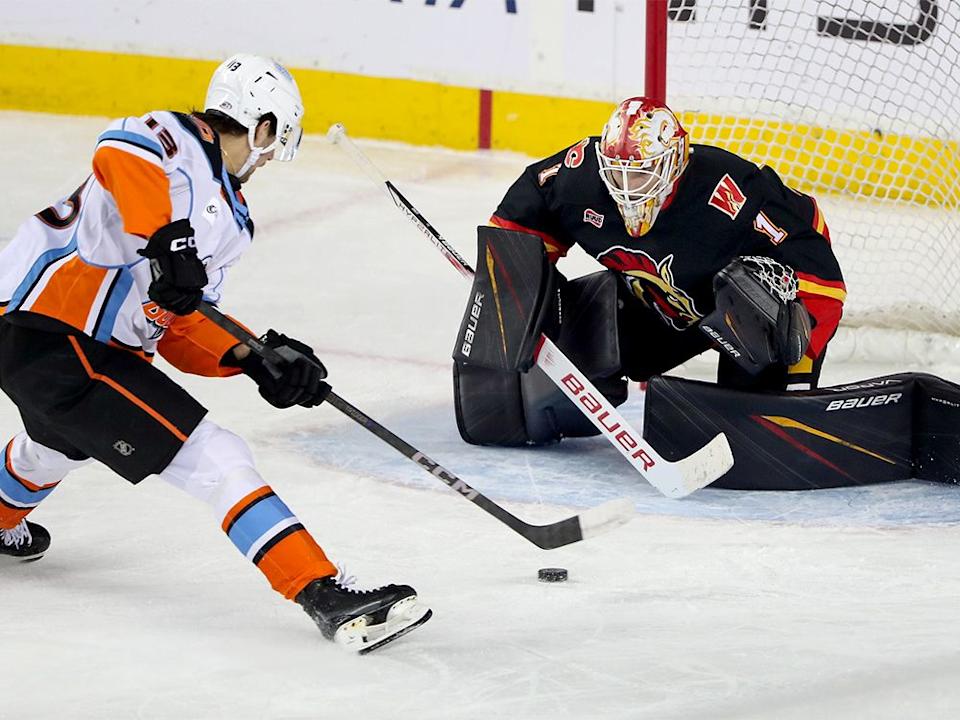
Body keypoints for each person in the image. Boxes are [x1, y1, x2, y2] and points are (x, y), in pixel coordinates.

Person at [0, 54, 431, 653]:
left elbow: (179, 325)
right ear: (260, 126)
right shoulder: (177, 138)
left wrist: (255, 357)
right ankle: (323, 592)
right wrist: (166, 237)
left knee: (50, 449)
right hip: (56, 332)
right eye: (275, 135)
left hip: (71, 349)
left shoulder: (232, 221)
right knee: (215, 455)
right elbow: (117, 152)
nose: (271, 154)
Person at [453, 96, 846, 446]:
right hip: (664, 302)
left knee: (757, 438)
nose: (628, 187)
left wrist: (797, 336)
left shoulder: (727, 193)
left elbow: (815, 264)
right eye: (618, 174)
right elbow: (528, 207)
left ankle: (774, 384)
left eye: (641, 174)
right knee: (571, 342)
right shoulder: (580, 177)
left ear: (675, 161)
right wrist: (512, 282)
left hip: (738, 306)